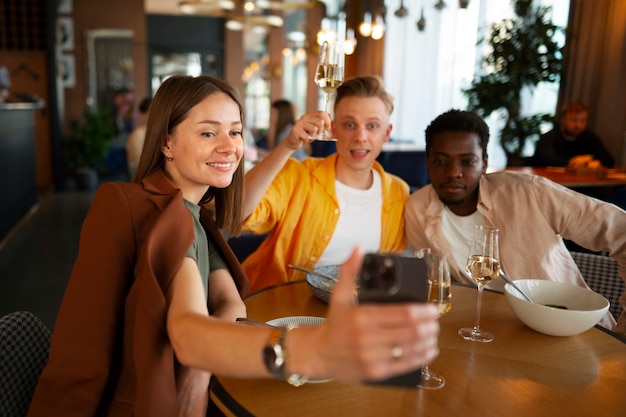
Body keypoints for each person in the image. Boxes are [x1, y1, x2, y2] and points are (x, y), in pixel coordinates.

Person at [27, 75, 440, 417]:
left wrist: (196, 374)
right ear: (166, 142)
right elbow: (187, 330)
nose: (229, 147)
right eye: (208, 132)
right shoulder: (139, 205)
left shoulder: (195, 214)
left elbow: (230, 303)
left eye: (235, 132)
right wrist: (312, 349)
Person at [404, 109, 626, 334]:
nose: (453, 172)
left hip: (567, 329)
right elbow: (438, 284)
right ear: (427, 163)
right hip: (489, 331)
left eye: (467, 161)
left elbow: (621, 231)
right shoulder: (418, 209)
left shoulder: (530, 193)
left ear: (484, 163)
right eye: (441, 161)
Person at [241, 75, 410, 291]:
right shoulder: (300, 176)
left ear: (386, 133)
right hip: (279, 309)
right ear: (334, 128)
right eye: (350, 124)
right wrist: (287, 146)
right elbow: (239, 213)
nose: (360, 136)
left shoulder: (398, 193)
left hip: (353, 316)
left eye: (372, 126)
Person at [533, 100, 615, 168]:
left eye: (582, 121)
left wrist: (589, 158)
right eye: (574, 120)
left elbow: (609, 160)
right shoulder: (548, 137)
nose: (578, 125)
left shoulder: (589, 136)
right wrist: (578, 162)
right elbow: (547, 160)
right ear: (563, 120)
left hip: (581, 184)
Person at [125, 96, 152, 180]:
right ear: (142, 115)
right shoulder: (137, 135)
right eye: (152, 111)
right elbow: (140, 163)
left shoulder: (161, 133)